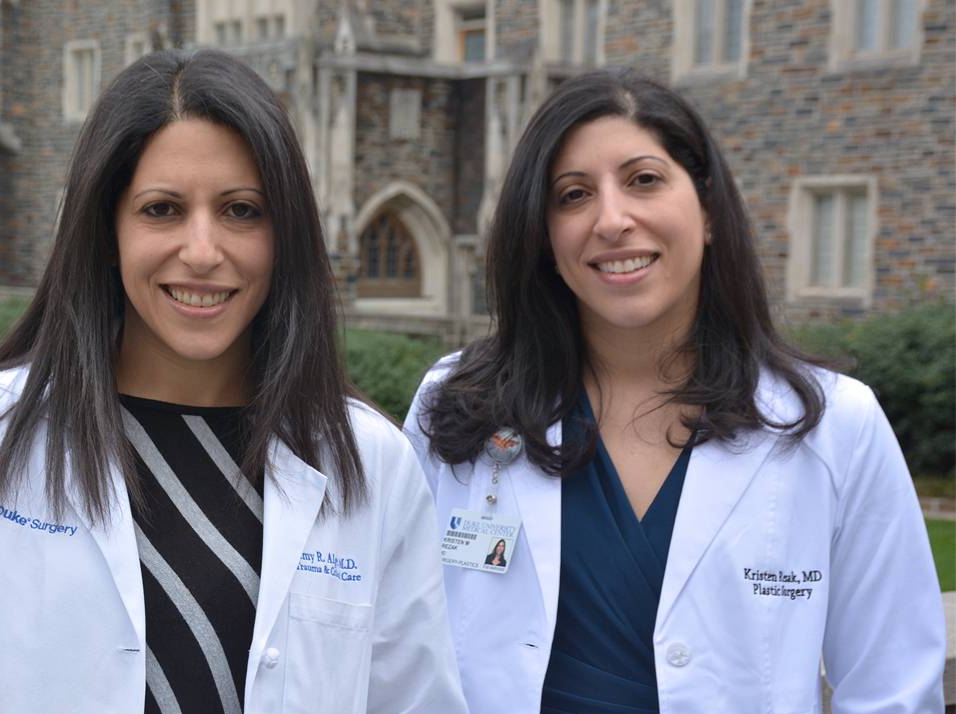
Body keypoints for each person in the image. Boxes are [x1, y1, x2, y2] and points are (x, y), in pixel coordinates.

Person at [0, 50, 466, 714]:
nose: (204, 250)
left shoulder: (370, 465)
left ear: (286, 233)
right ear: (107, 227)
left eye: (242, 210)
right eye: (162, 209)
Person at [404, 69, 945, 714]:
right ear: (545, 238)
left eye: (644, 180)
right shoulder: (456, 404)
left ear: (709, 211)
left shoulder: (834, 426)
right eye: (573, 195)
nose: (611, 220)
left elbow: (893, 686)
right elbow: (397, 648)